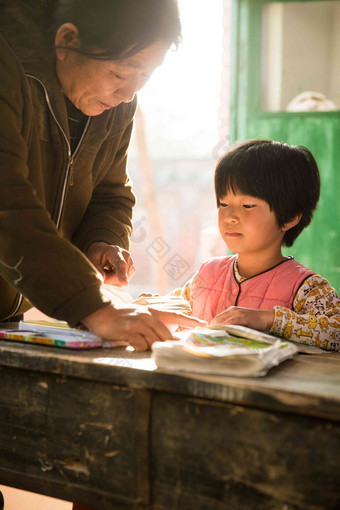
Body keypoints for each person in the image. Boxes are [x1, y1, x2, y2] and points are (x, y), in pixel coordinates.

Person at [0, 0, 206, 351]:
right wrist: (94, 306)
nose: (129, 93)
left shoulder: (117, 103)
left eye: (146, 74)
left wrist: (100, 240)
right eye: (120, 73)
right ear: (69, 40)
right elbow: (7, 204)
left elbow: (110, 192)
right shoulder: (8, 65)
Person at [173, 139, 340, 351]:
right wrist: (153, 308)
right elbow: (177, 311)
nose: (230, 217)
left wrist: (270, 319)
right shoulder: (207, 273)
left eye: (248, 205)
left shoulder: (307, 288)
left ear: (288, 218)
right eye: (223, 204)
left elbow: (336, 332)